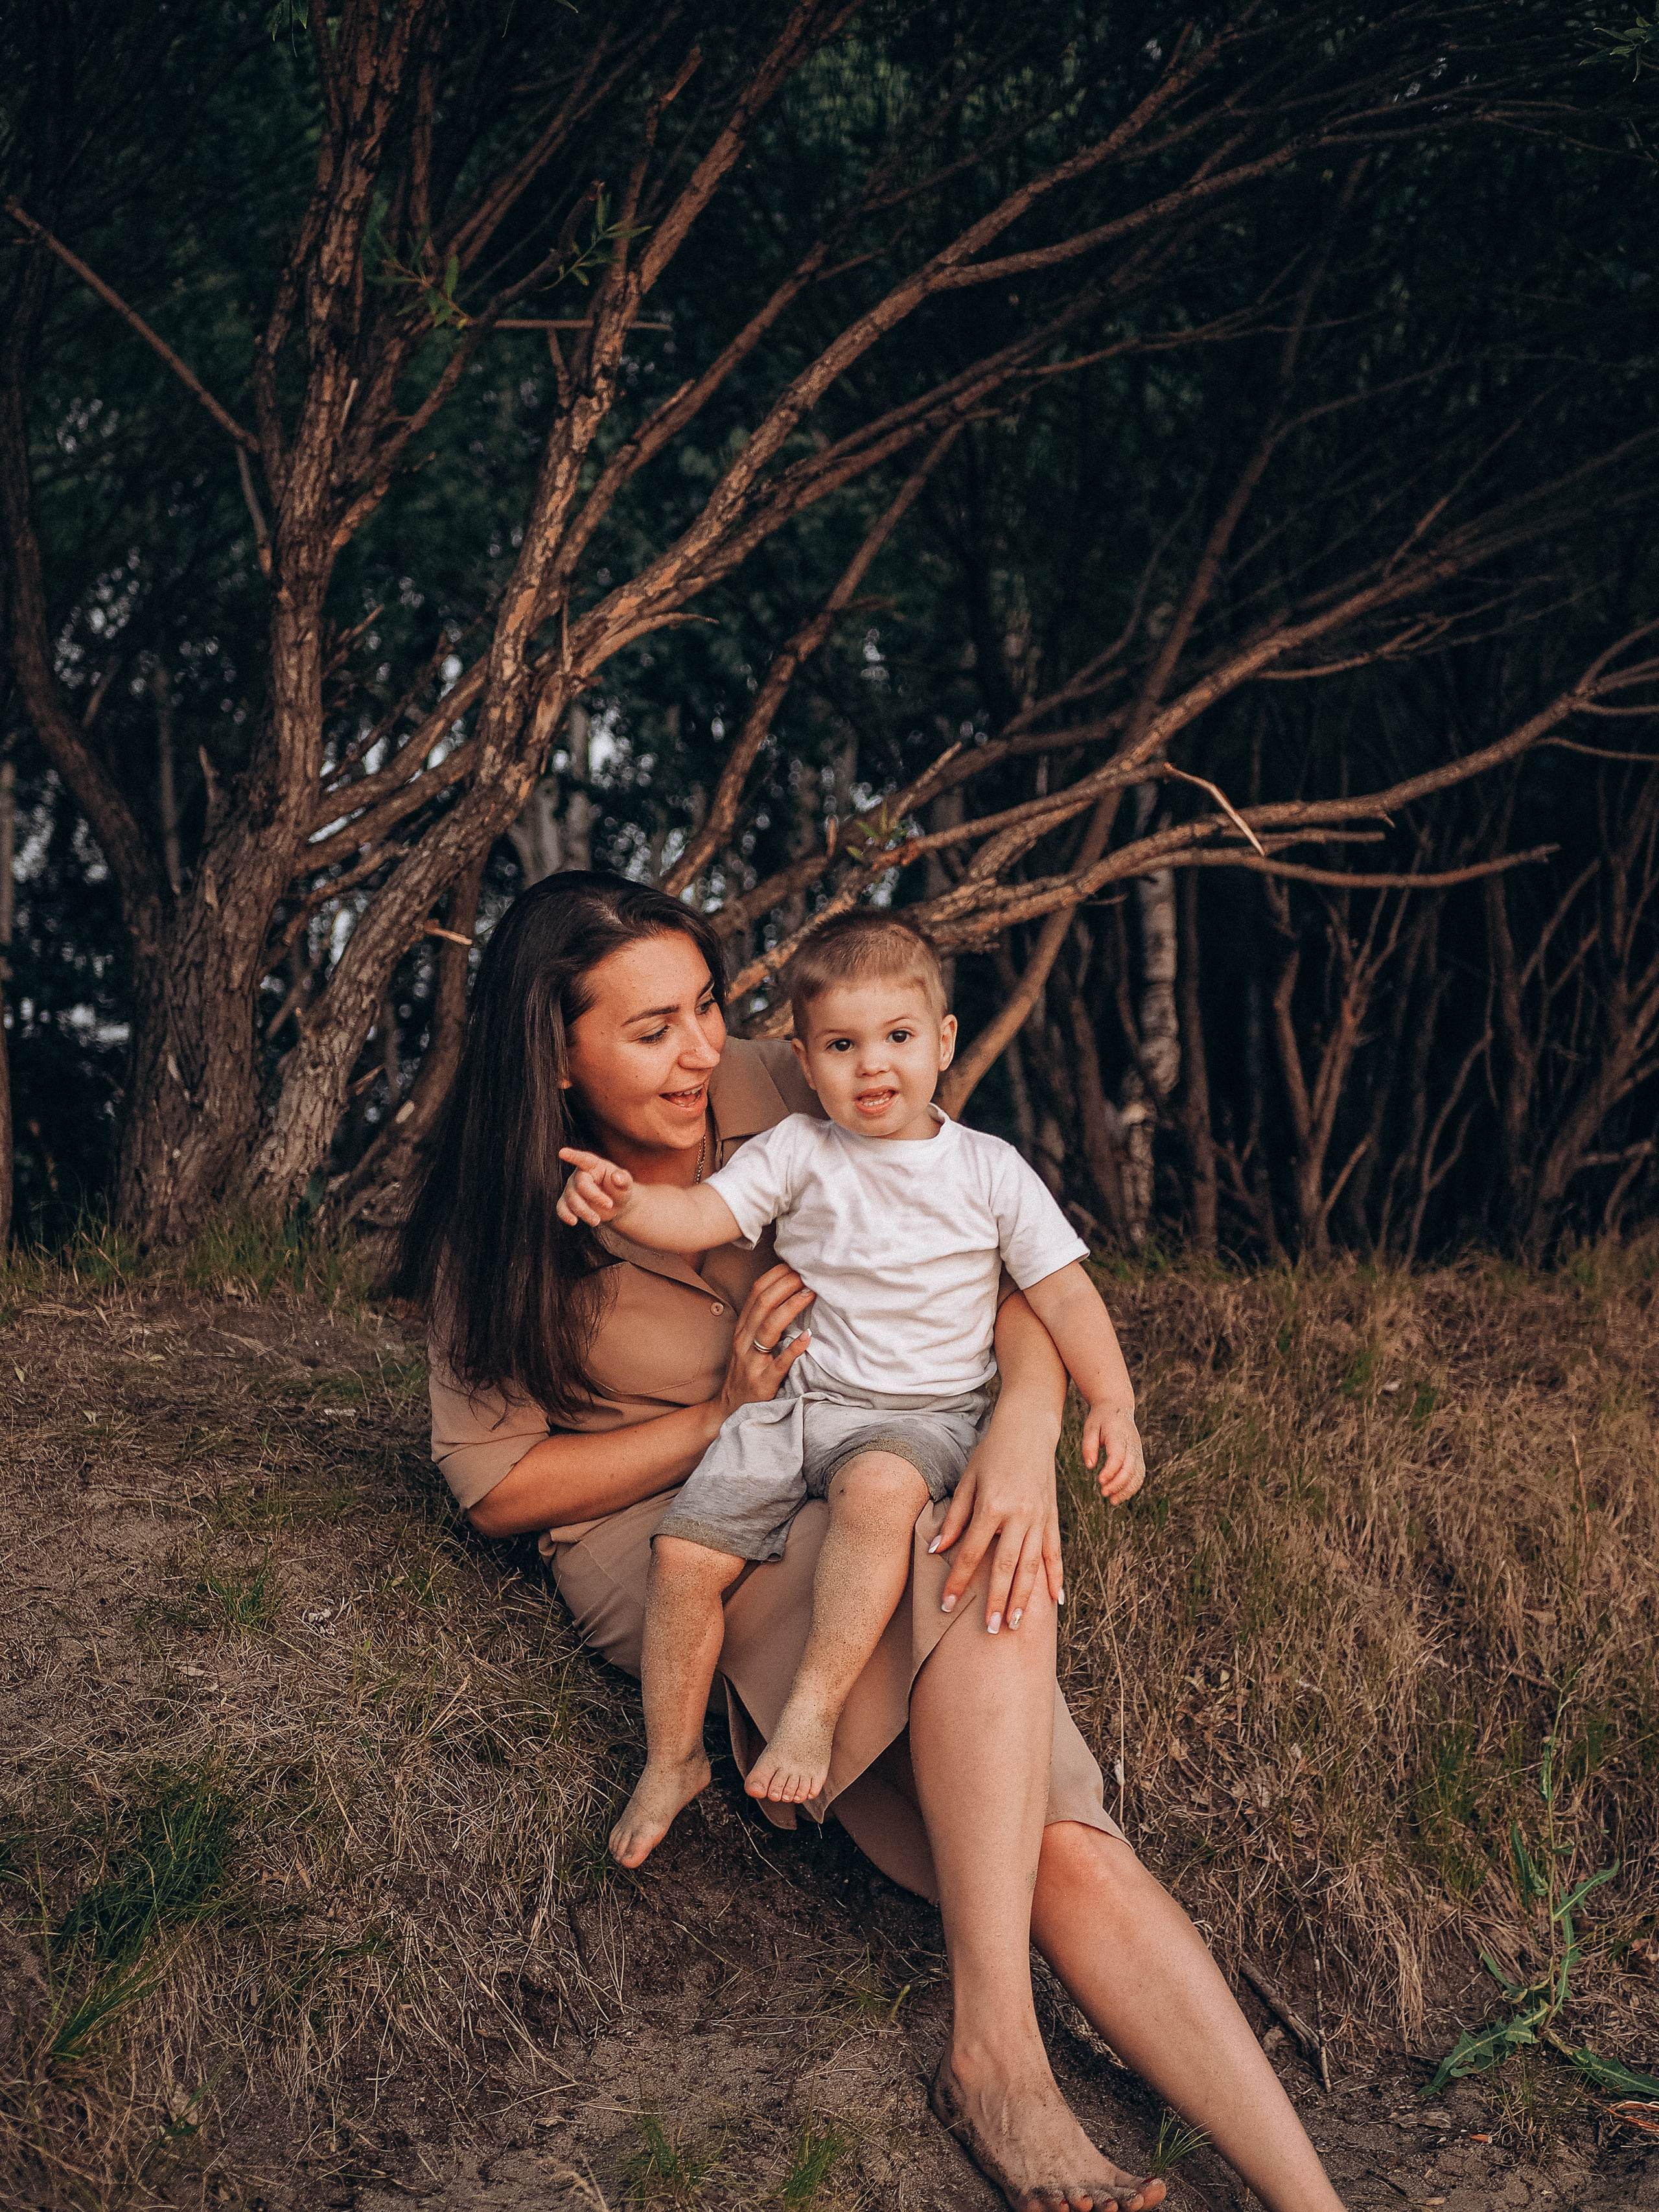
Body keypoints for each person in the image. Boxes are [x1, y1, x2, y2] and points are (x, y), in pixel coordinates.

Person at [395, 871, 1347, 2212]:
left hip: (884, 1462)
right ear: (555, 1053)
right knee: (988, 1739)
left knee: (1045, 1785)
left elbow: (996, 1252)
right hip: (678, 1524)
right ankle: (1000, 2062)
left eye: (708, 1007)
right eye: (650, 1028)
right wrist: (723, 1412)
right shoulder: (499, 1230)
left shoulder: (794, 1074)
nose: (699, 1052)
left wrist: (1023, 1432)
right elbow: (496, 1488)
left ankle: (1309, 2202)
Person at [555, 912, 1148, 1870]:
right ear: (805, 1057)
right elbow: (704, 1211)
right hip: (798, 1405)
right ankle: (670, 1760)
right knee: (682, 1555)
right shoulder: (798, 1149)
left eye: (899, 1038)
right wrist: (630, 1202)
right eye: (842, 1045)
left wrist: (1109, 1399)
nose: (873, 1067)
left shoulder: (988, 1171)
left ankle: (812, 1713)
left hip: (925, 1417)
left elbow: (1060, 1290)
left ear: (943, 1041)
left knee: (877, 1495)